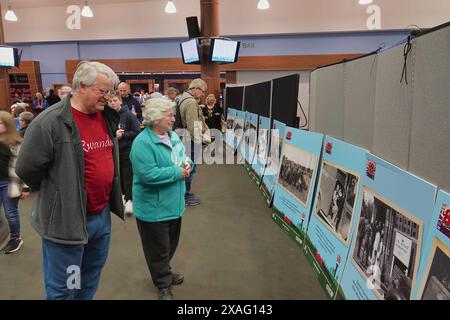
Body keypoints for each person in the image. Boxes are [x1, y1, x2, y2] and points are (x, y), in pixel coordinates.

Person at [16, 61, 124, 300]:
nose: (108, 97)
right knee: (64, 287)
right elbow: (27, 168)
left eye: (111, 92)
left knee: (88, 278)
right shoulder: (49, 122)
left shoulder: (106, 117)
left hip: (101, 217)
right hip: (67, 221)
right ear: (82, 86)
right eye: (104, 91)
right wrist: (59, 193)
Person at [130, 98, 194, 300]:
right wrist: (178, 172)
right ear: (156, 117)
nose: (174, 119)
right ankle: (163, 283)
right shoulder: (142, 143)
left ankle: (164, 272)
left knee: (169, 245)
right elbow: (148, 175)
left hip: (173, 205)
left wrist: (188, 164)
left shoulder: (172, 135)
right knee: (158, 249)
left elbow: (184, 157)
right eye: (170, 115)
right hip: (153, 209)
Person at [0, 111, 30, 254]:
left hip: (9, 183)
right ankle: (3, 236)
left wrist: (25, 188)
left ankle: (15, 238)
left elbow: (24, 167)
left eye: (0, 122)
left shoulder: (17, 142)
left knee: (10, 213)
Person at [108, 94, 140, 216]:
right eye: (110, 101)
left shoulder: (129, 115)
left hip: (127, 150)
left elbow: (137, 132)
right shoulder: (107, 116)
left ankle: (130, 200)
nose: (112, 103)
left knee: (128, 176)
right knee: (118, 175)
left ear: (120, 102)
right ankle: (122, 196)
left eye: (115, 100)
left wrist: (123, 135)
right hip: (113, 151)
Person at [178, 78, 209, 206]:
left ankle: (184, 194)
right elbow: (193, 125)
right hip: (190, 141)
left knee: (186, 167)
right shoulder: (191, 102)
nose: (203, 94)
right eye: (202, 91)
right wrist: (199, 142)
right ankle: (185, 196)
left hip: (184, 139)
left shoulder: (183, 98)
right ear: (195, 89)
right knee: (189, 168)